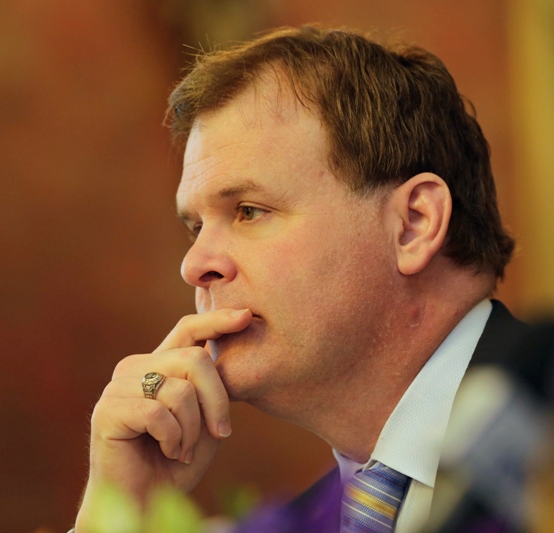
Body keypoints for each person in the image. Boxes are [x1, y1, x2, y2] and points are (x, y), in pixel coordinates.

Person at [73, 25, 522, 533]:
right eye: (196, 227)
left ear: (413, 224)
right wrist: (120, 514)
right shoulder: (303, 519)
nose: (195, 264)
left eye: (248, 211)